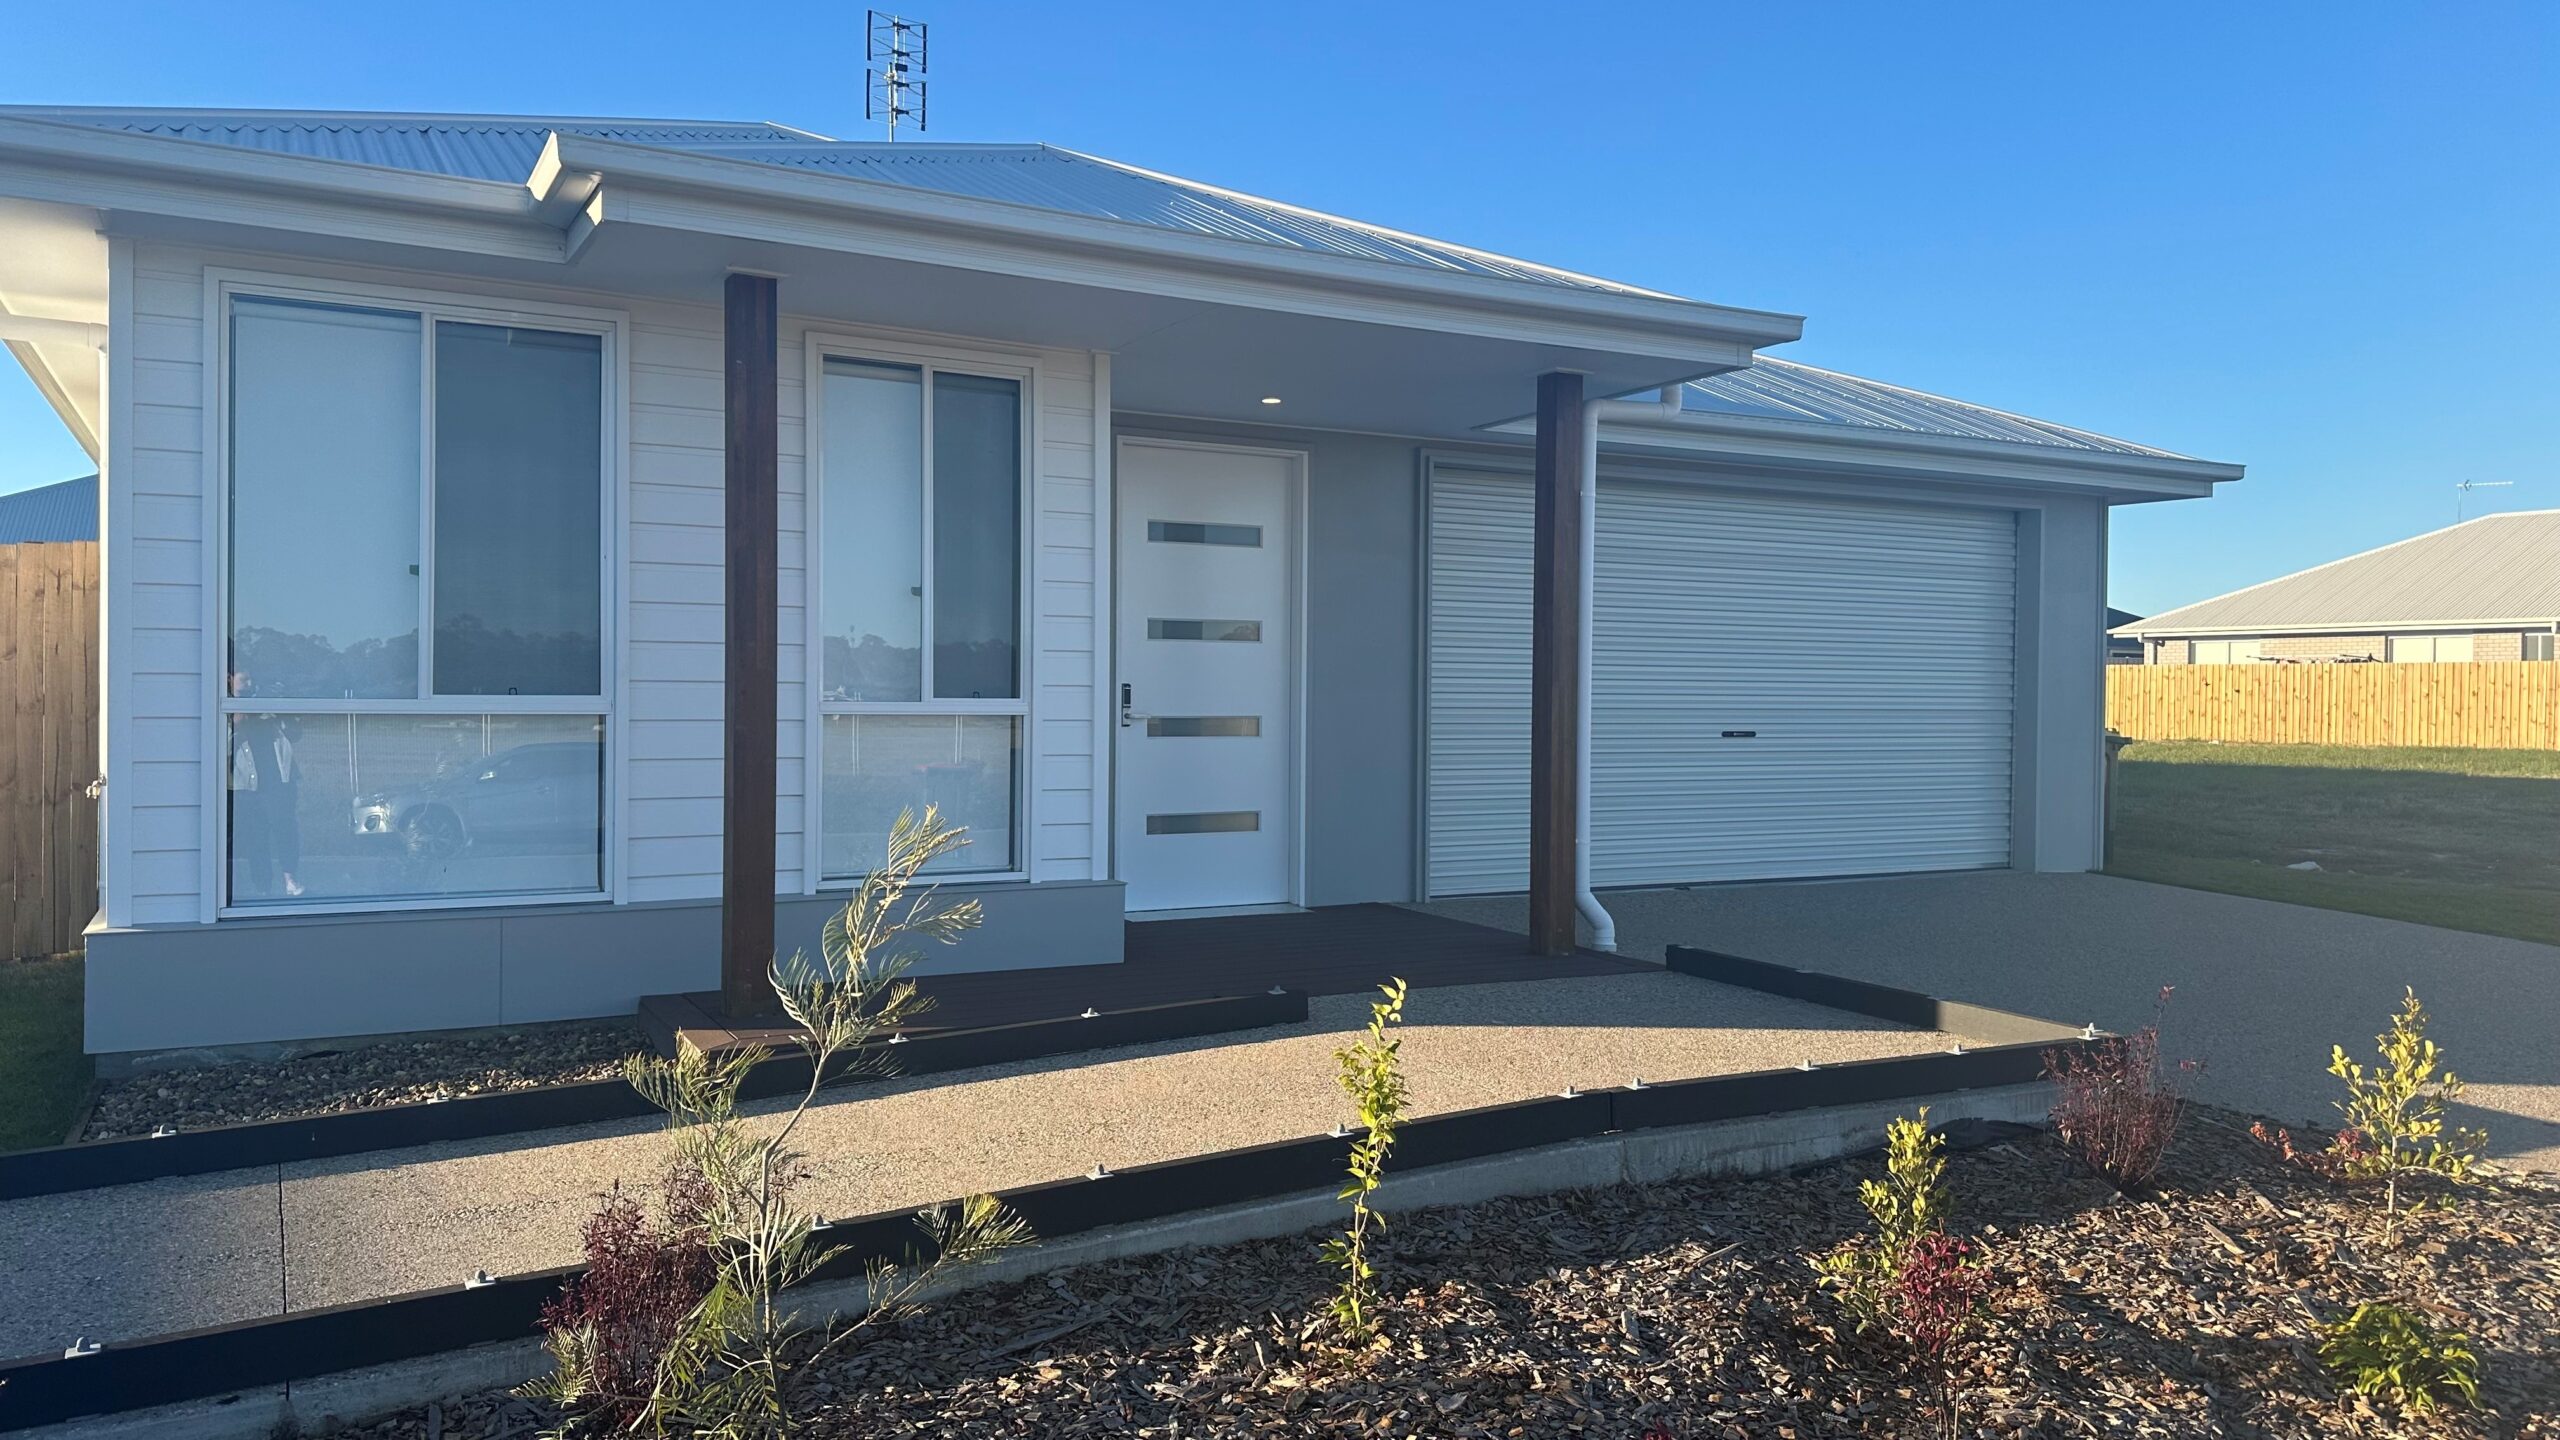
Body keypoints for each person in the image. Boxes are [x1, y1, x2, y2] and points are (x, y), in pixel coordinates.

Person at [226, 671, 305, 899]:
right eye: (245, 679)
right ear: (230, 679)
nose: (250, 684)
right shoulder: (224, 704)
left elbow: (295, 733)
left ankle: (290, 879)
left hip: (279, 778)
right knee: (255, 835)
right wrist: (240, 720)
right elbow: (220, 741)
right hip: (245, 783)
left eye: (253, 679)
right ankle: (262, 886)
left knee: (285, 828)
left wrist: (282, 713)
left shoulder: (267, 702)